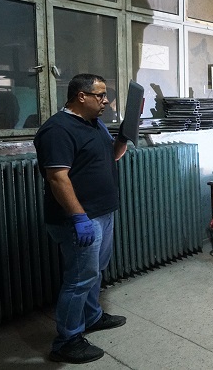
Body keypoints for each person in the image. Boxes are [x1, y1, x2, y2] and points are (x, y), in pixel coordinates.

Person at [34, 74, 129, 364]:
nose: (106, 101)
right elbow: (57, 177)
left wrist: (124, 136)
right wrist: (79, 217)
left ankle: (92, 316)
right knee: (79, 279)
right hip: (80, 219)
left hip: (102, 213)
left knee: (95, 271)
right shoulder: (57, 130)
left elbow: (112, 156)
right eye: (100, 95)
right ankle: (67, 340)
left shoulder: (94, 124)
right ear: (81, 96)